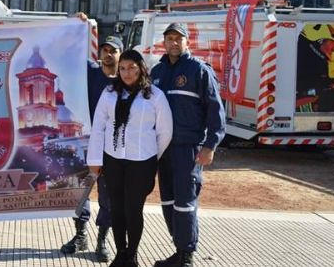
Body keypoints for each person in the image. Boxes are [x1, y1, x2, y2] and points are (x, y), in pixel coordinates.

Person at [88, 49, 173, 267]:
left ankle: (132, 254)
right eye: (123, 68)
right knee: (116, 208)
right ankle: (120, 252)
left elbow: (165, 132)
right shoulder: (109, 92)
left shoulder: (154, 95)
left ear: (141, 68)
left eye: (132, 68)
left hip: (141, 161)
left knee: (133, 209)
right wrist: (95, 159)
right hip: (113, 159)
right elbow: (98, 127)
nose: (126, 73)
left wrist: (151, 155)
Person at [150, 23, 225, 267]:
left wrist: (210, 145)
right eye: (169, 38)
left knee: (185, 202)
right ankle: (179, 249)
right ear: (164, 41)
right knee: (169, 202)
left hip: (188, 149)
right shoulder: (157, 72)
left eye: (178, 38)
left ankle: (186, 256)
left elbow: (216, 111)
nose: (173, 42)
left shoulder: (198, 70)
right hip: (164, 150)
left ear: (187, 42)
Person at [61, 34, 122, 262]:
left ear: (119, 54)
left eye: (112, 50)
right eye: (104, 49)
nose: (108, 54)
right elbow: (70, 51)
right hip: (85, 144)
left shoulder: (125, 80)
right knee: (80, 191)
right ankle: (80, 235)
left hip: (111, 148)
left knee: (108, 196)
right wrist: (78, 26)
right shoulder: (91, 72)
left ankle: (102, 239)